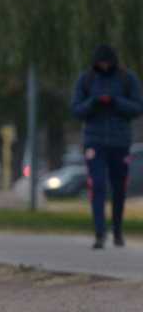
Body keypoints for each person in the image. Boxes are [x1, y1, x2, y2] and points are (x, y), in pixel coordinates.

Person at [71, 44, 143, 249]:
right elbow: (76, 109)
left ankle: (118, 230)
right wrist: (93, 103)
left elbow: (138, 107)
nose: (103, 66)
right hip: (94, 141)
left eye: (107, 63)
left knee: (119, 188)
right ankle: (100, 233)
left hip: (120, 142)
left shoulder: (127, 79)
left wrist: (116, 102)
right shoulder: (86, 80)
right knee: (98, 184)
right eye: (100, 63)